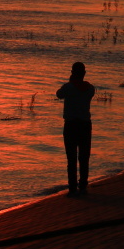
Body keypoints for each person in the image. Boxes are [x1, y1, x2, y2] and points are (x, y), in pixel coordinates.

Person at [55, 61, 95, 196]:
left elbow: (59, 94)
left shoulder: (68, 87)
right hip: (85, 125)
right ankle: (83, 184)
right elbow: (85, 90)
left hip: (71, 125)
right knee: (84, 157)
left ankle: (72, 187)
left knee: (71, 158)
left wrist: (71, 81)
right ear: (84, 74)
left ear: (73, 73)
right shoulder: (90, 89)